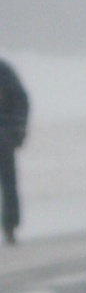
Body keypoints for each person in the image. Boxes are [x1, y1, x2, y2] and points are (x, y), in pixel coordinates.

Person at [0, 57, 29, 246]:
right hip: (6, 134)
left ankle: (10, 225)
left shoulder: (4, 72)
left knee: (8, 182)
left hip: (3, 135)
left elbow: (21, 99)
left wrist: (18, 127)